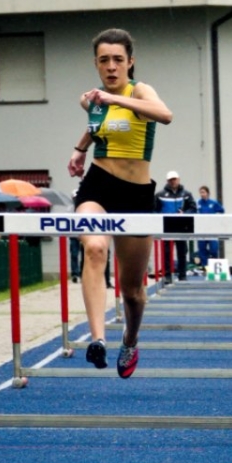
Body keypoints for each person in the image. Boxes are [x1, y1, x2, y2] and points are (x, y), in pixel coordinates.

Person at [66, 28, 174, 379]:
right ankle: (97, 338)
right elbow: (99, 124)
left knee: (132, 291)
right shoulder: (92, 99)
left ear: (130, 61)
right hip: (97, 186)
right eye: (103, 60)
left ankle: (130, 338)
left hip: (136, 195)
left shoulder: (138, 90)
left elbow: (164, 114)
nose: (111, 67)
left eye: (117, 60)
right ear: (96, 64)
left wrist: (116, 100)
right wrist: (80, 150)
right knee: (94, 248)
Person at [157, 170, 193, 280]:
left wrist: (185, 214)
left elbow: (193, 208)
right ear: (167, 181)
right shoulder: (160, 195)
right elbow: (154, 210)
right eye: (170, 180)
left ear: (178, 179)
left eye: (174, 179)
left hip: (181, 227)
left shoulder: (186, 194)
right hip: (166, 226)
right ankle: (167, 275)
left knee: (182, 252)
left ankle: (182, 275)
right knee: (166, 252)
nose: (173, 181)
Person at [196, 185, 224, 270]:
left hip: (212, 229)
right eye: (201, 192)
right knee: (202, 249)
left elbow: (222, 211)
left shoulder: (213, 203)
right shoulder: (197, 203)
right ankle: (205, 266)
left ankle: (214, 264)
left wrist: (216, 220)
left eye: (203, 192)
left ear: (207, 193)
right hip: (201, 230)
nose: (202, 194)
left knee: (214, 249)